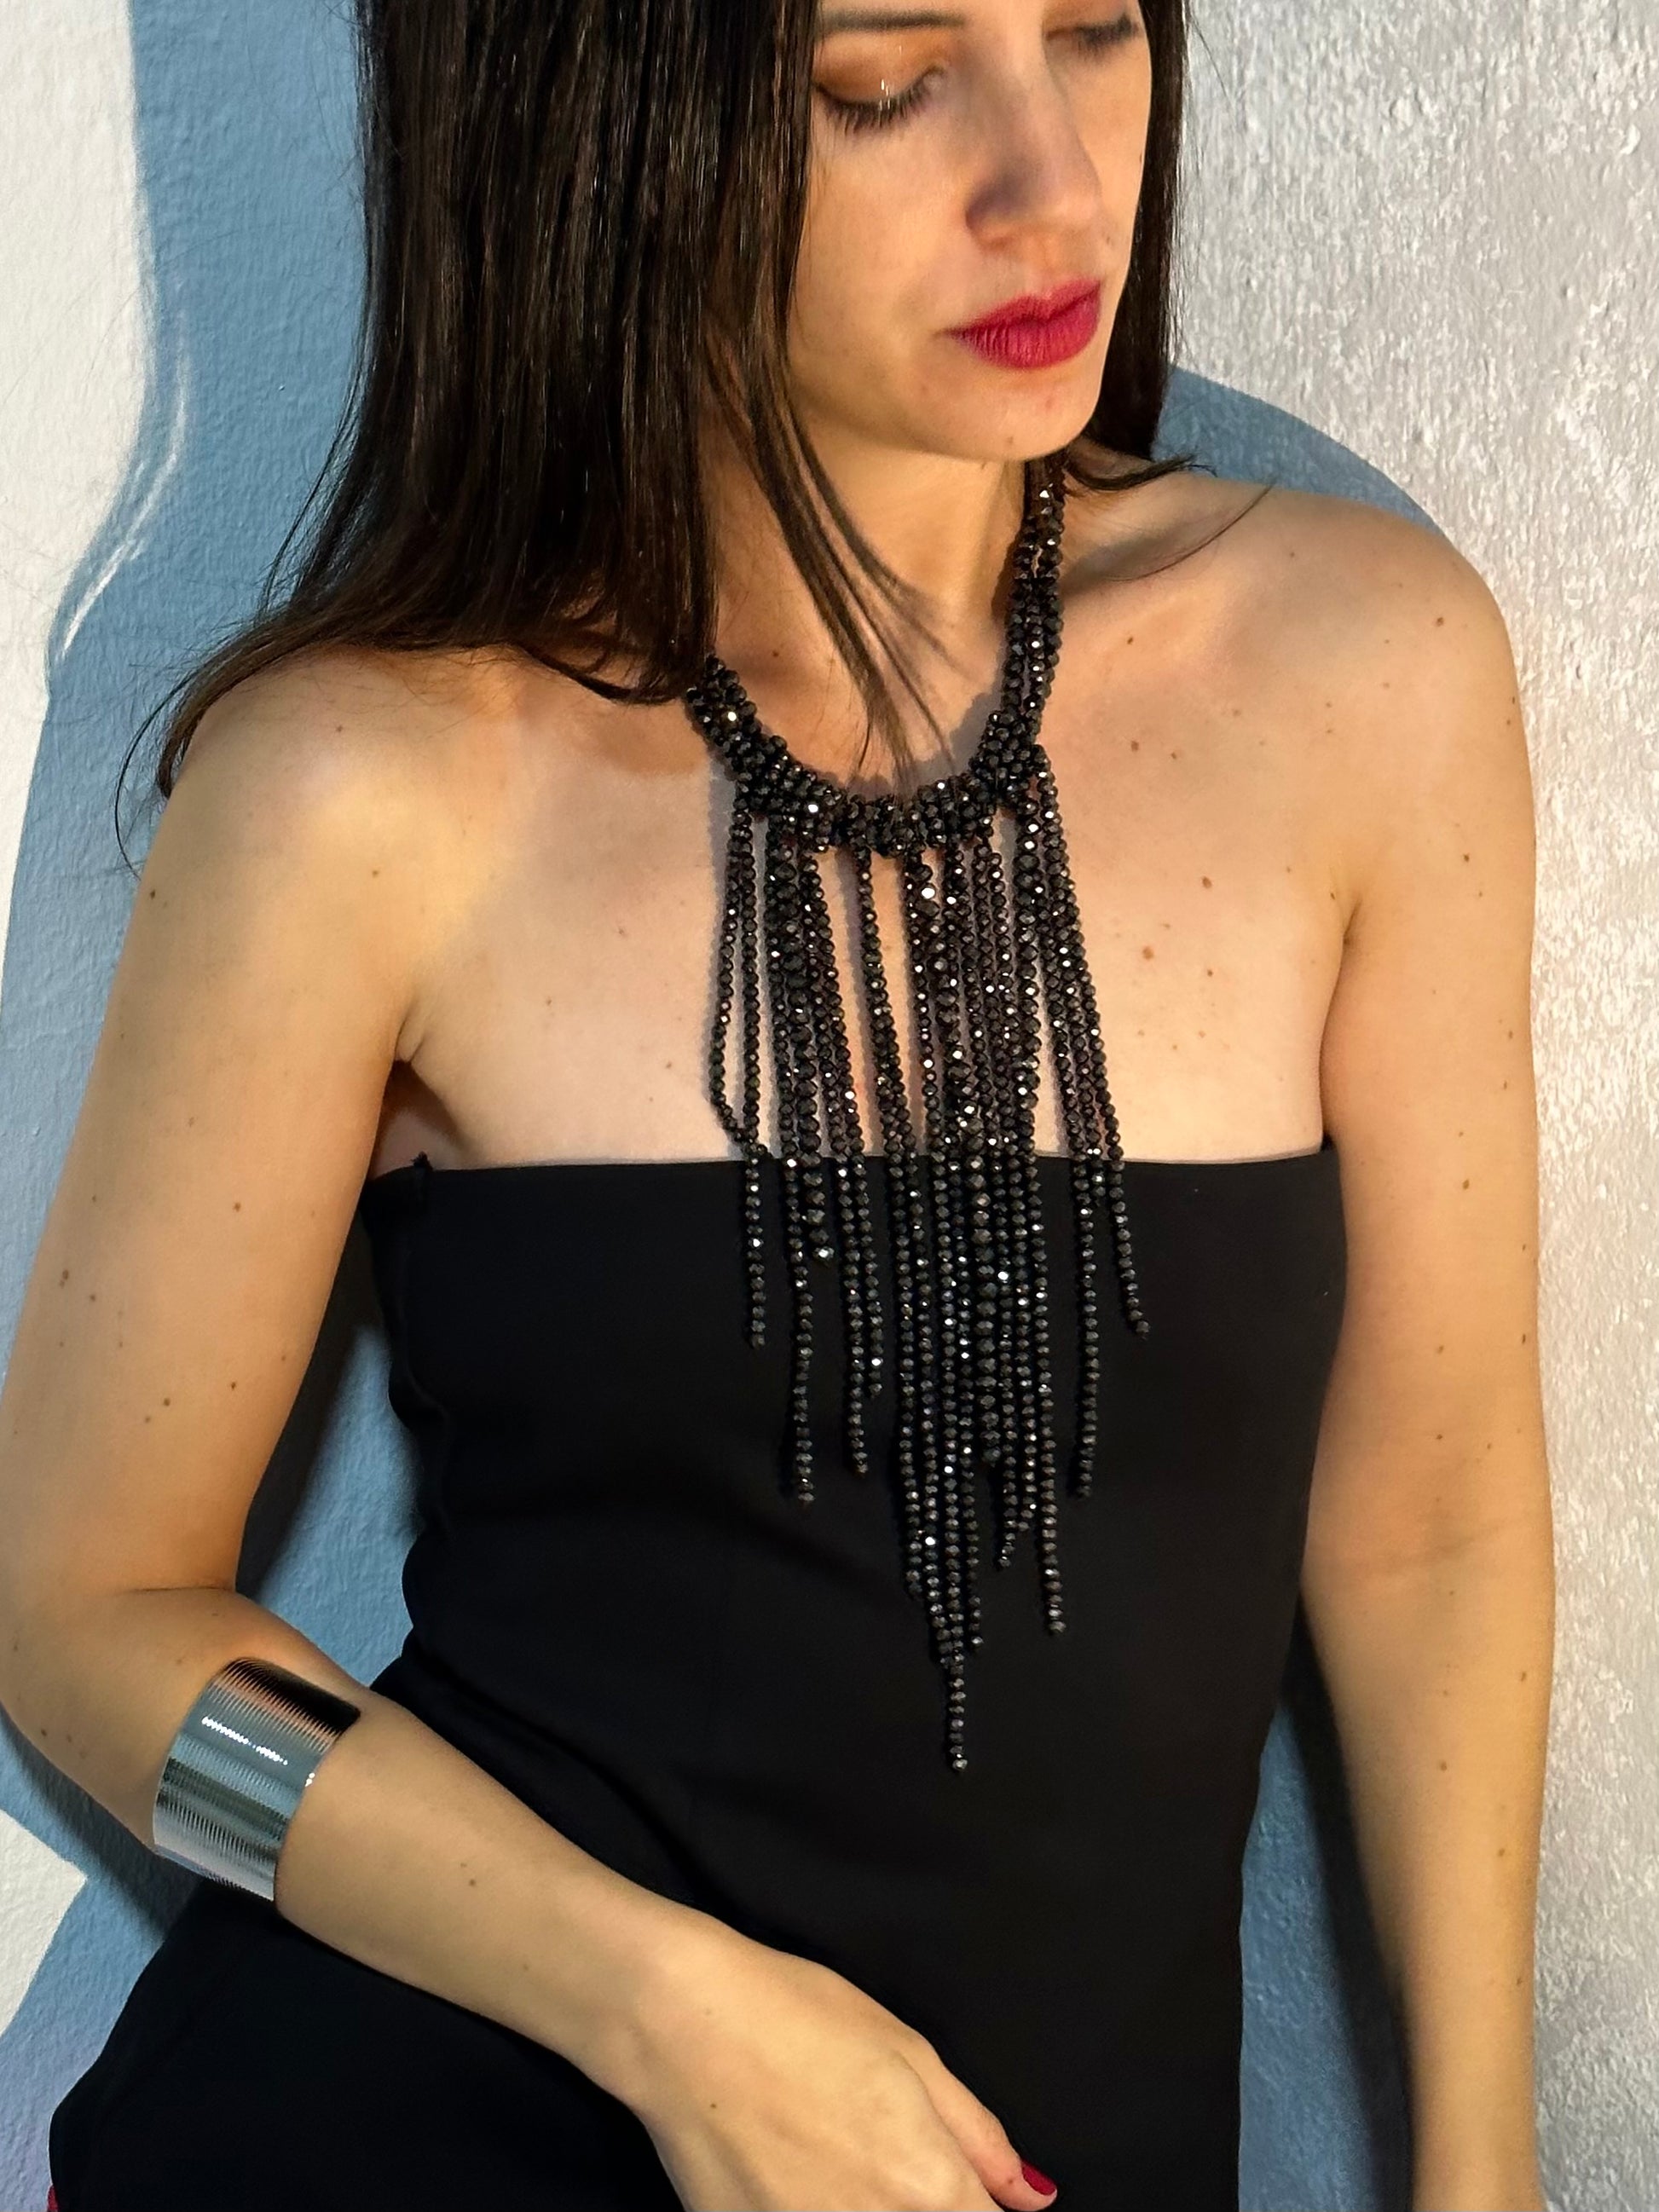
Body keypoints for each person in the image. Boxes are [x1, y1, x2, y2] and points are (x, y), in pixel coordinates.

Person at [0, 1, 1554, 2207]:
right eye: (882, 84)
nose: (1051, 182)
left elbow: (1428, 1517)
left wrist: (1480, 2160)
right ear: (608, 118)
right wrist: (666, 2011)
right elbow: (75, 1619)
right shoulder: (364, 785)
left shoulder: (1359, 668)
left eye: (1092, 30)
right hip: (417, 2129)